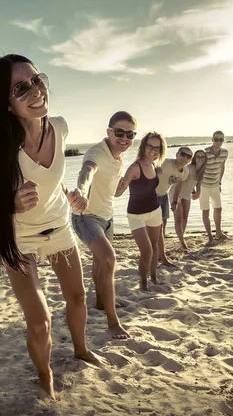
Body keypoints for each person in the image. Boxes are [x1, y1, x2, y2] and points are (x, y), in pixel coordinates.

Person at [0, 54, 103, 399]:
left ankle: (81, 350)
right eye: (21, 88)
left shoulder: (62, 127)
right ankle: (44, 373)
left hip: (59, 227)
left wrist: (73, 195)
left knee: (78, 298)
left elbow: (53, 180)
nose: (36, 91)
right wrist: (8, 203)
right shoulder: (0, 150)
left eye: (37, 81)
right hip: (20, 240)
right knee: (40, 322)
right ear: (6, 103)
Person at [71, 111, 136, 339]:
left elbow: (114, 192)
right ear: (109, 131)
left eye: (130, 134)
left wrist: (126, 183)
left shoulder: (119, 158)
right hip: (85, 217)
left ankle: (100, 302)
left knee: (100, 263)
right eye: (119, 132)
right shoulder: (97, 151)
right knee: (109, 259)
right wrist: (80, 190)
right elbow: (87, 171)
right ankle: (113, 322)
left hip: (107, 218)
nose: (125, 138)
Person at [115, 132, 167, 291]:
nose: (153, 150)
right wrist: (117, 182)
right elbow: (117, 193)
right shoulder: (134, 168)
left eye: (157, 147)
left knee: (154, 246)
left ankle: (154, 277)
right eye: (150, 146)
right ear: (144, 146)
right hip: (135, 214)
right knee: (146, 250)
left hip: (154, 211)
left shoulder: (154, 166)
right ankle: (143, 283)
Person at [155, 147, 191, 266]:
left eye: (188, 157)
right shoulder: (167, 164)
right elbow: (154, 172)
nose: (184, 158)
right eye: (183, 154)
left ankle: (160, 252)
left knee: (163, 225)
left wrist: (175, 202)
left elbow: (178, 186)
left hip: (164, 196)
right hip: (152, 195)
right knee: (157, 226)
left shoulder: (185, 172)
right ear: (177, 154)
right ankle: (157, 253)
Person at [171, 149, 207, 250]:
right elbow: (180, 182)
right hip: (177, 193)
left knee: (185, 218)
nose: (200, 159)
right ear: (194, 158)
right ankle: (183, 243)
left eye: (202, 157)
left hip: (186, 194)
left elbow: (198, 182)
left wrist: (197, 192)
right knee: (178, 219)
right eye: (198, 156)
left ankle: (180, 238)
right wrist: (176, 199)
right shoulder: (189, 168)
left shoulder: (202, 169)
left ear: (205, 159)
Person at [200, 130, 229, 246]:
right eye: (216, 139)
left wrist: (220, 182)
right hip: (204, 186)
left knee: (218, 209)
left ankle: (218, 232)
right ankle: (210, 237)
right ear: (212, 140)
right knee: (205, 211)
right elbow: (199, 170)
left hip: (215, 185)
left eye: (221, 139)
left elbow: (222, 166)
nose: (219, 142)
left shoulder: (225, 153)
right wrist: (196, 189)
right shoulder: (205, 153)